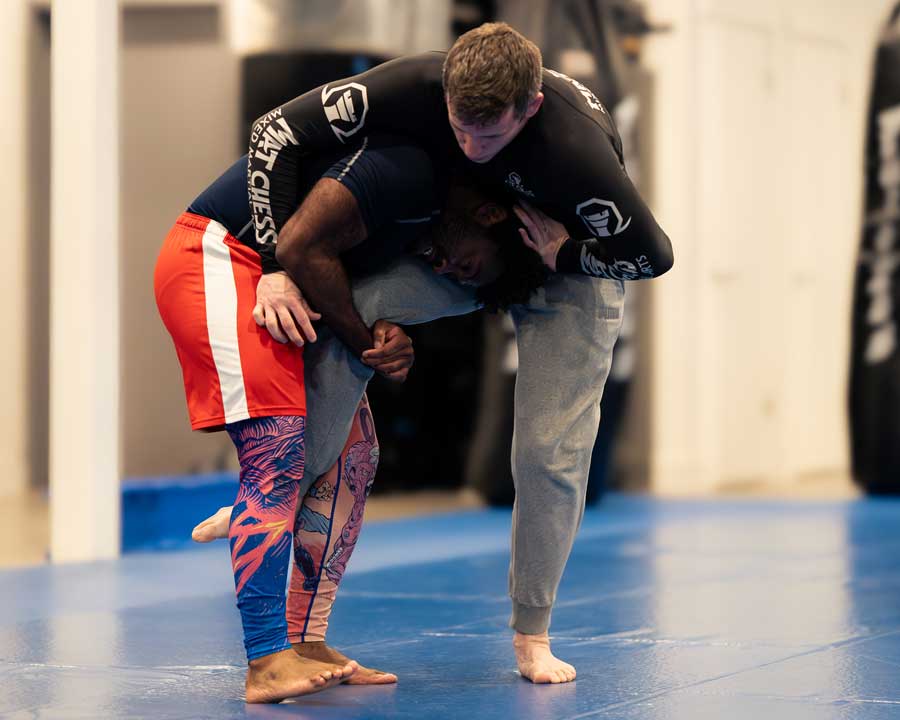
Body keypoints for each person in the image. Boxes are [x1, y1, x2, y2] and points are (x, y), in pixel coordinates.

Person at [236, 21, 673, 685]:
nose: (470, 145)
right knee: (349, 309)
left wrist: (571, 251)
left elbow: (654, 254)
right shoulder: (416, 82)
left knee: (546, 453)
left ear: (525, 109)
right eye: (458, 127)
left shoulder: (575, 149)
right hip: (473, 251)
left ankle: (533, 633)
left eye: (488, 135)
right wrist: (274, 263)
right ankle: (277, 490)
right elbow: (274, 132)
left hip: (569, 269)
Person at [157, 135, 547, 702]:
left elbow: (343, 281)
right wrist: (364, 334)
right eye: (471, 265)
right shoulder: (409, 171)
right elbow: (297, 243)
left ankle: (305, 641)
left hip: (274, 279)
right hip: (219, 256)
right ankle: (266, 660)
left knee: (354, 456)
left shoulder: (422, 221)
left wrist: (385, 338)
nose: (453, 272)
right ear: (486, 216)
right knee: (279, 453)